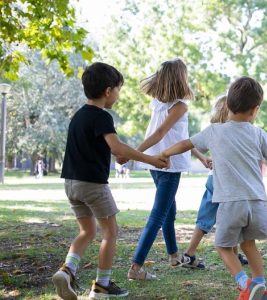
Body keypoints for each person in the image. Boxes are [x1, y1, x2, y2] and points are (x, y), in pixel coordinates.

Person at [161, 76, 267, 299]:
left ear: (228, 105)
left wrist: (165, 153)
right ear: (255, 110)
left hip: (232, 202)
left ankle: (245, 283)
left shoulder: (214, 131)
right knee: (248, 244)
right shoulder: (258, 133)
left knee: (223, 246)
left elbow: (187, 144)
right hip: (258, 203)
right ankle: (260, 284)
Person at [52, 62, 169, 300]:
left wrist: (121, 155)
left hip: (71, 184)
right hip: (93, 185)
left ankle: (67, 270)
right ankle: (102, 286)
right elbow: (117, 147)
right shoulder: (102, 116)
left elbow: (107, 150)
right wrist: (151, 159)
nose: (118, 94)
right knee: (110, 232)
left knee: (87, 230)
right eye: (118, 89)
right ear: (108, 91)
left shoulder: (78, 116)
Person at [126, 58, 209, 280]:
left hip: (156, 162)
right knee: (159, 214)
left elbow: (180, 137)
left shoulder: (158, 103)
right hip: (168, 165)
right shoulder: (179, 105)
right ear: (181, 78)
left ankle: (174, 256)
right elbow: (160, 134)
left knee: (169, 211)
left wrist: (200, 156)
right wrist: (132, 152)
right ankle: (136, 267)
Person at [179, 95, 248, 269]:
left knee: (205, 217)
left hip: (213, 179)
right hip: (227, 182)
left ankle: (190, 253)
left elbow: (191, 143)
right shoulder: (236, 132)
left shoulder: (213, 131)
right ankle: (232, 254)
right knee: (233, 216)